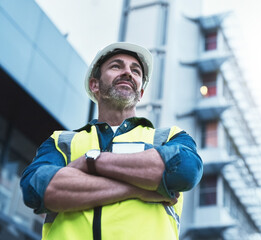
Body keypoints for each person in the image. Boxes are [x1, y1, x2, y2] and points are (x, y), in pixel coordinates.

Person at [20, 42, 203, 240]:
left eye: (136, 71)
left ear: (140, 93)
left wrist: (89, 162)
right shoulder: (62, 142)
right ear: (94, 84)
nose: (128, 73)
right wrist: (137, 189)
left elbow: (185, 171)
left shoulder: (169, 138)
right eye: (116, 66)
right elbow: (36, 188)